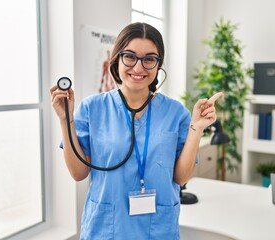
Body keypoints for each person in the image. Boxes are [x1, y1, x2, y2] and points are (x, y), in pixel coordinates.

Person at [50, 22, 223, 240]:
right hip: (106, 229)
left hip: (157, 229)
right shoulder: (91, 108)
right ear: (117, 58)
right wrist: (65, 119)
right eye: (130, 56)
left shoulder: (176, 112)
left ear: (158, 65)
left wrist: (196, 128)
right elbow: (78, 173)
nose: (139, 68)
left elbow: (181, 178)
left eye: (149, 59)